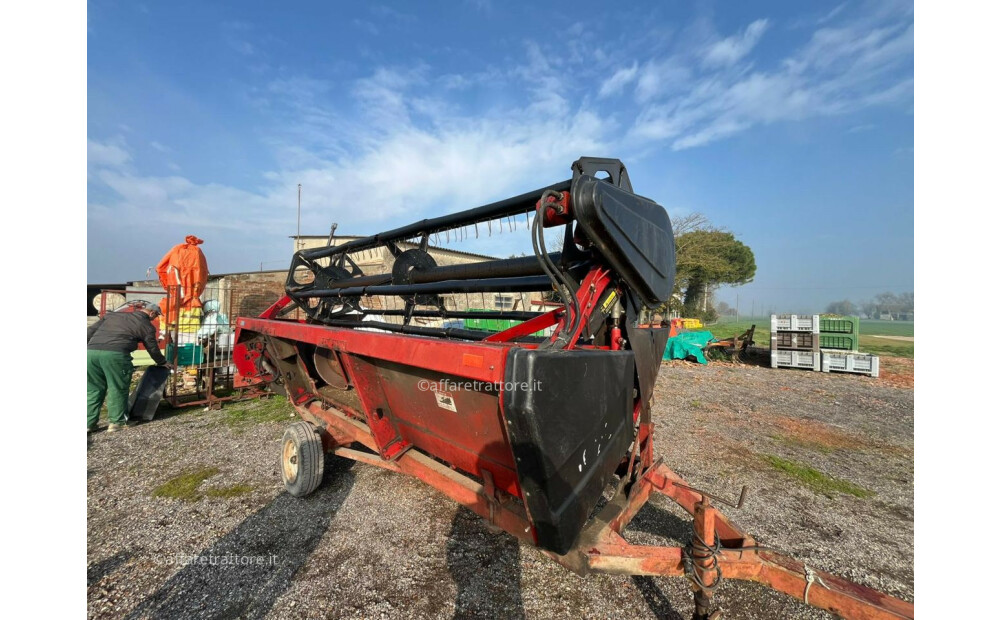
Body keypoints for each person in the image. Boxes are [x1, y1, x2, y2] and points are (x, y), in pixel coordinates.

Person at [87, 302, 172, 433]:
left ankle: (88, 424)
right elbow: (152, 347)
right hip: (116, 355)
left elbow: (90, 331)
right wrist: (162, 362)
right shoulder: (146, 326)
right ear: (151, 313)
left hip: (90, 354)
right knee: (117, 387)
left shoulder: (112, 316)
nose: (154, 319)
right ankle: (117, 422)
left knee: (93, 389)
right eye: (155, 316)